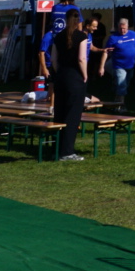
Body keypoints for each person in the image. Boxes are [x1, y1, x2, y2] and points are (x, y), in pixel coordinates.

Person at [49, 9, 90, 161]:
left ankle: (57, 149)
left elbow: (53, 59)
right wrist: (85, 75)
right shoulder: (81, 36)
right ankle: (67, 151)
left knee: (59, 113)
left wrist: (59, 71)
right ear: (78, 20)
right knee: (72, 116)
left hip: (61, 76)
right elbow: (81, 58)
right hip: (75, 77)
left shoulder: (58, 36)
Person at [109, 15, 135, 107]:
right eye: (120, 28)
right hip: (119, 65)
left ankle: (116, 100)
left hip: (131, 64)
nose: (122, 30)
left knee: (125, 83)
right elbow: (107, 51)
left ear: (128, 27)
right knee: (122, 84)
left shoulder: (133, 34)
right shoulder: (113, 37)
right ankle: (120, 105)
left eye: (124, 29)